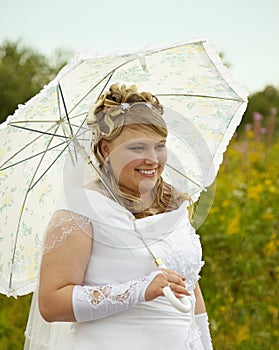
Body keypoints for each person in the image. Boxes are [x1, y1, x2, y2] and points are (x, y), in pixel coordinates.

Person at [24, 84, 213, 349]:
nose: (153, 159)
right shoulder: (79, 211)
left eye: (159, 146)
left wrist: (205, 342)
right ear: (105, 150)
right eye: (137, 148)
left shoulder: (174, 204)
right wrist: (138, 290)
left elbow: (190, 287)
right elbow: (52, 303)